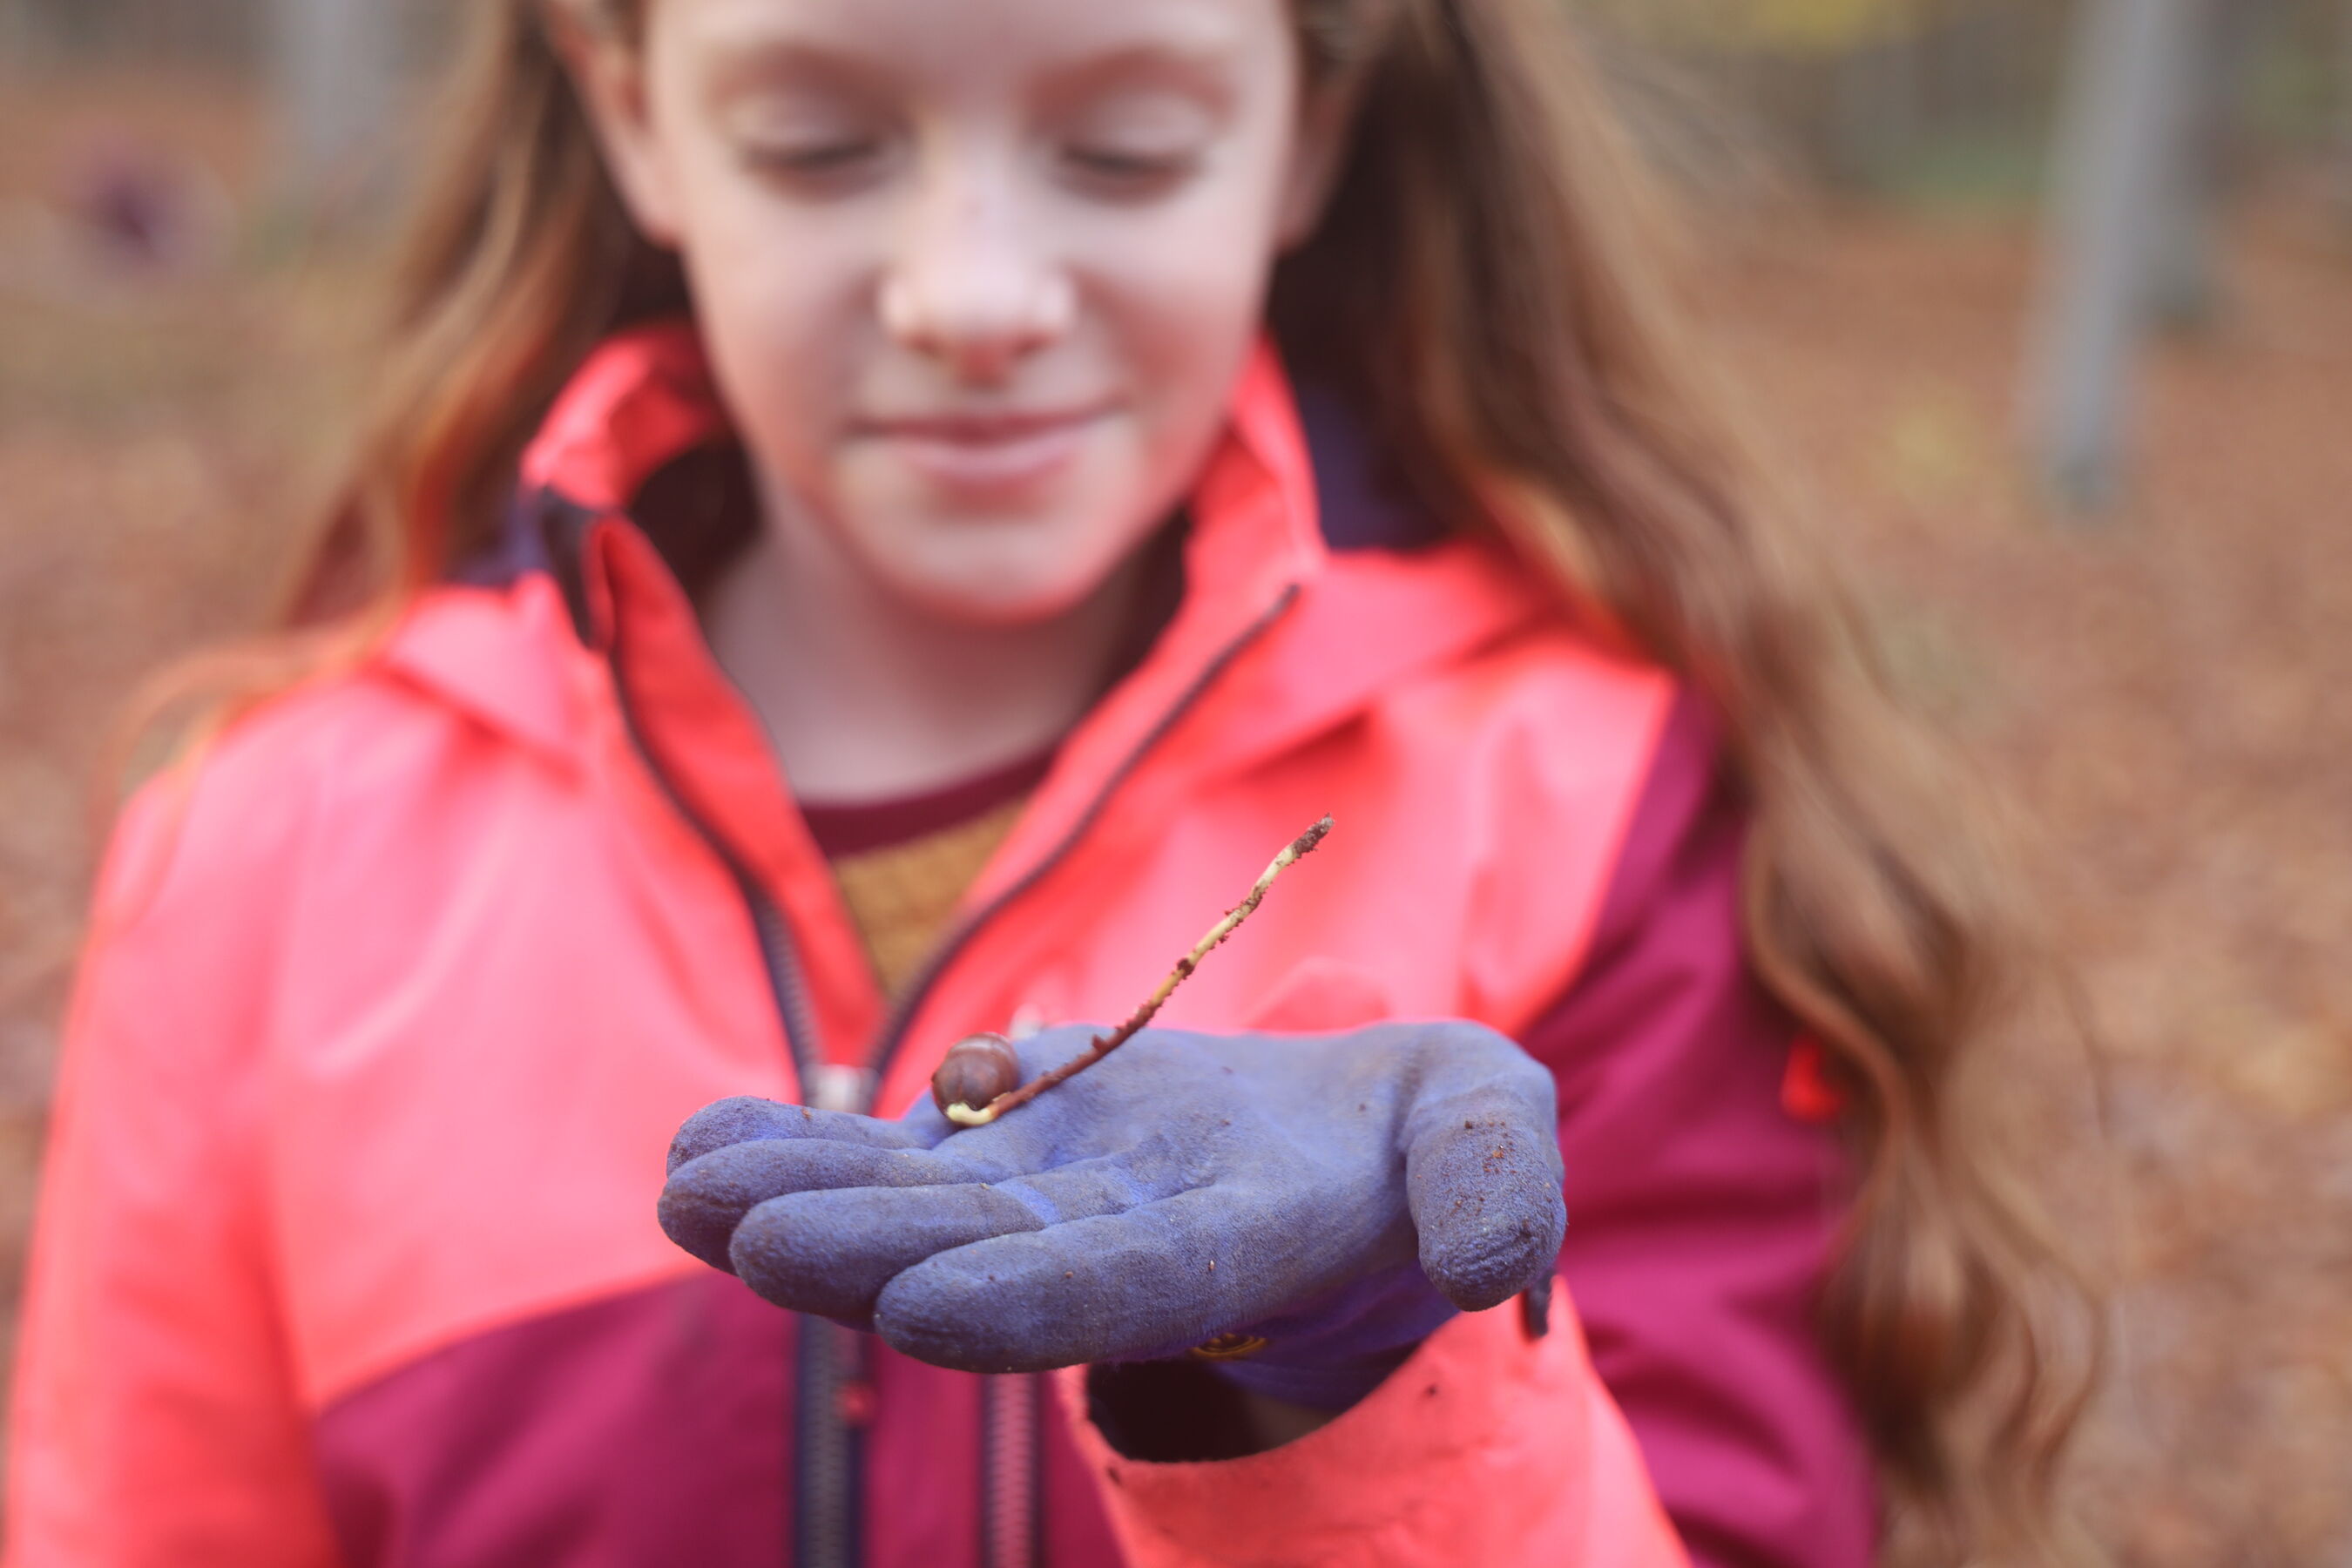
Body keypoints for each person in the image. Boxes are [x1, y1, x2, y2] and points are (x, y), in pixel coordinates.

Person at [3, 1, 2096, 1565]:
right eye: (825, 147)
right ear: (637, 109)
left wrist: (1366, 1392)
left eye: (1122, 154)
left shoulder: (1603, 798)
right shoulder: (267, 853)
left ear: (1310, 127)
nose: (976, 299)